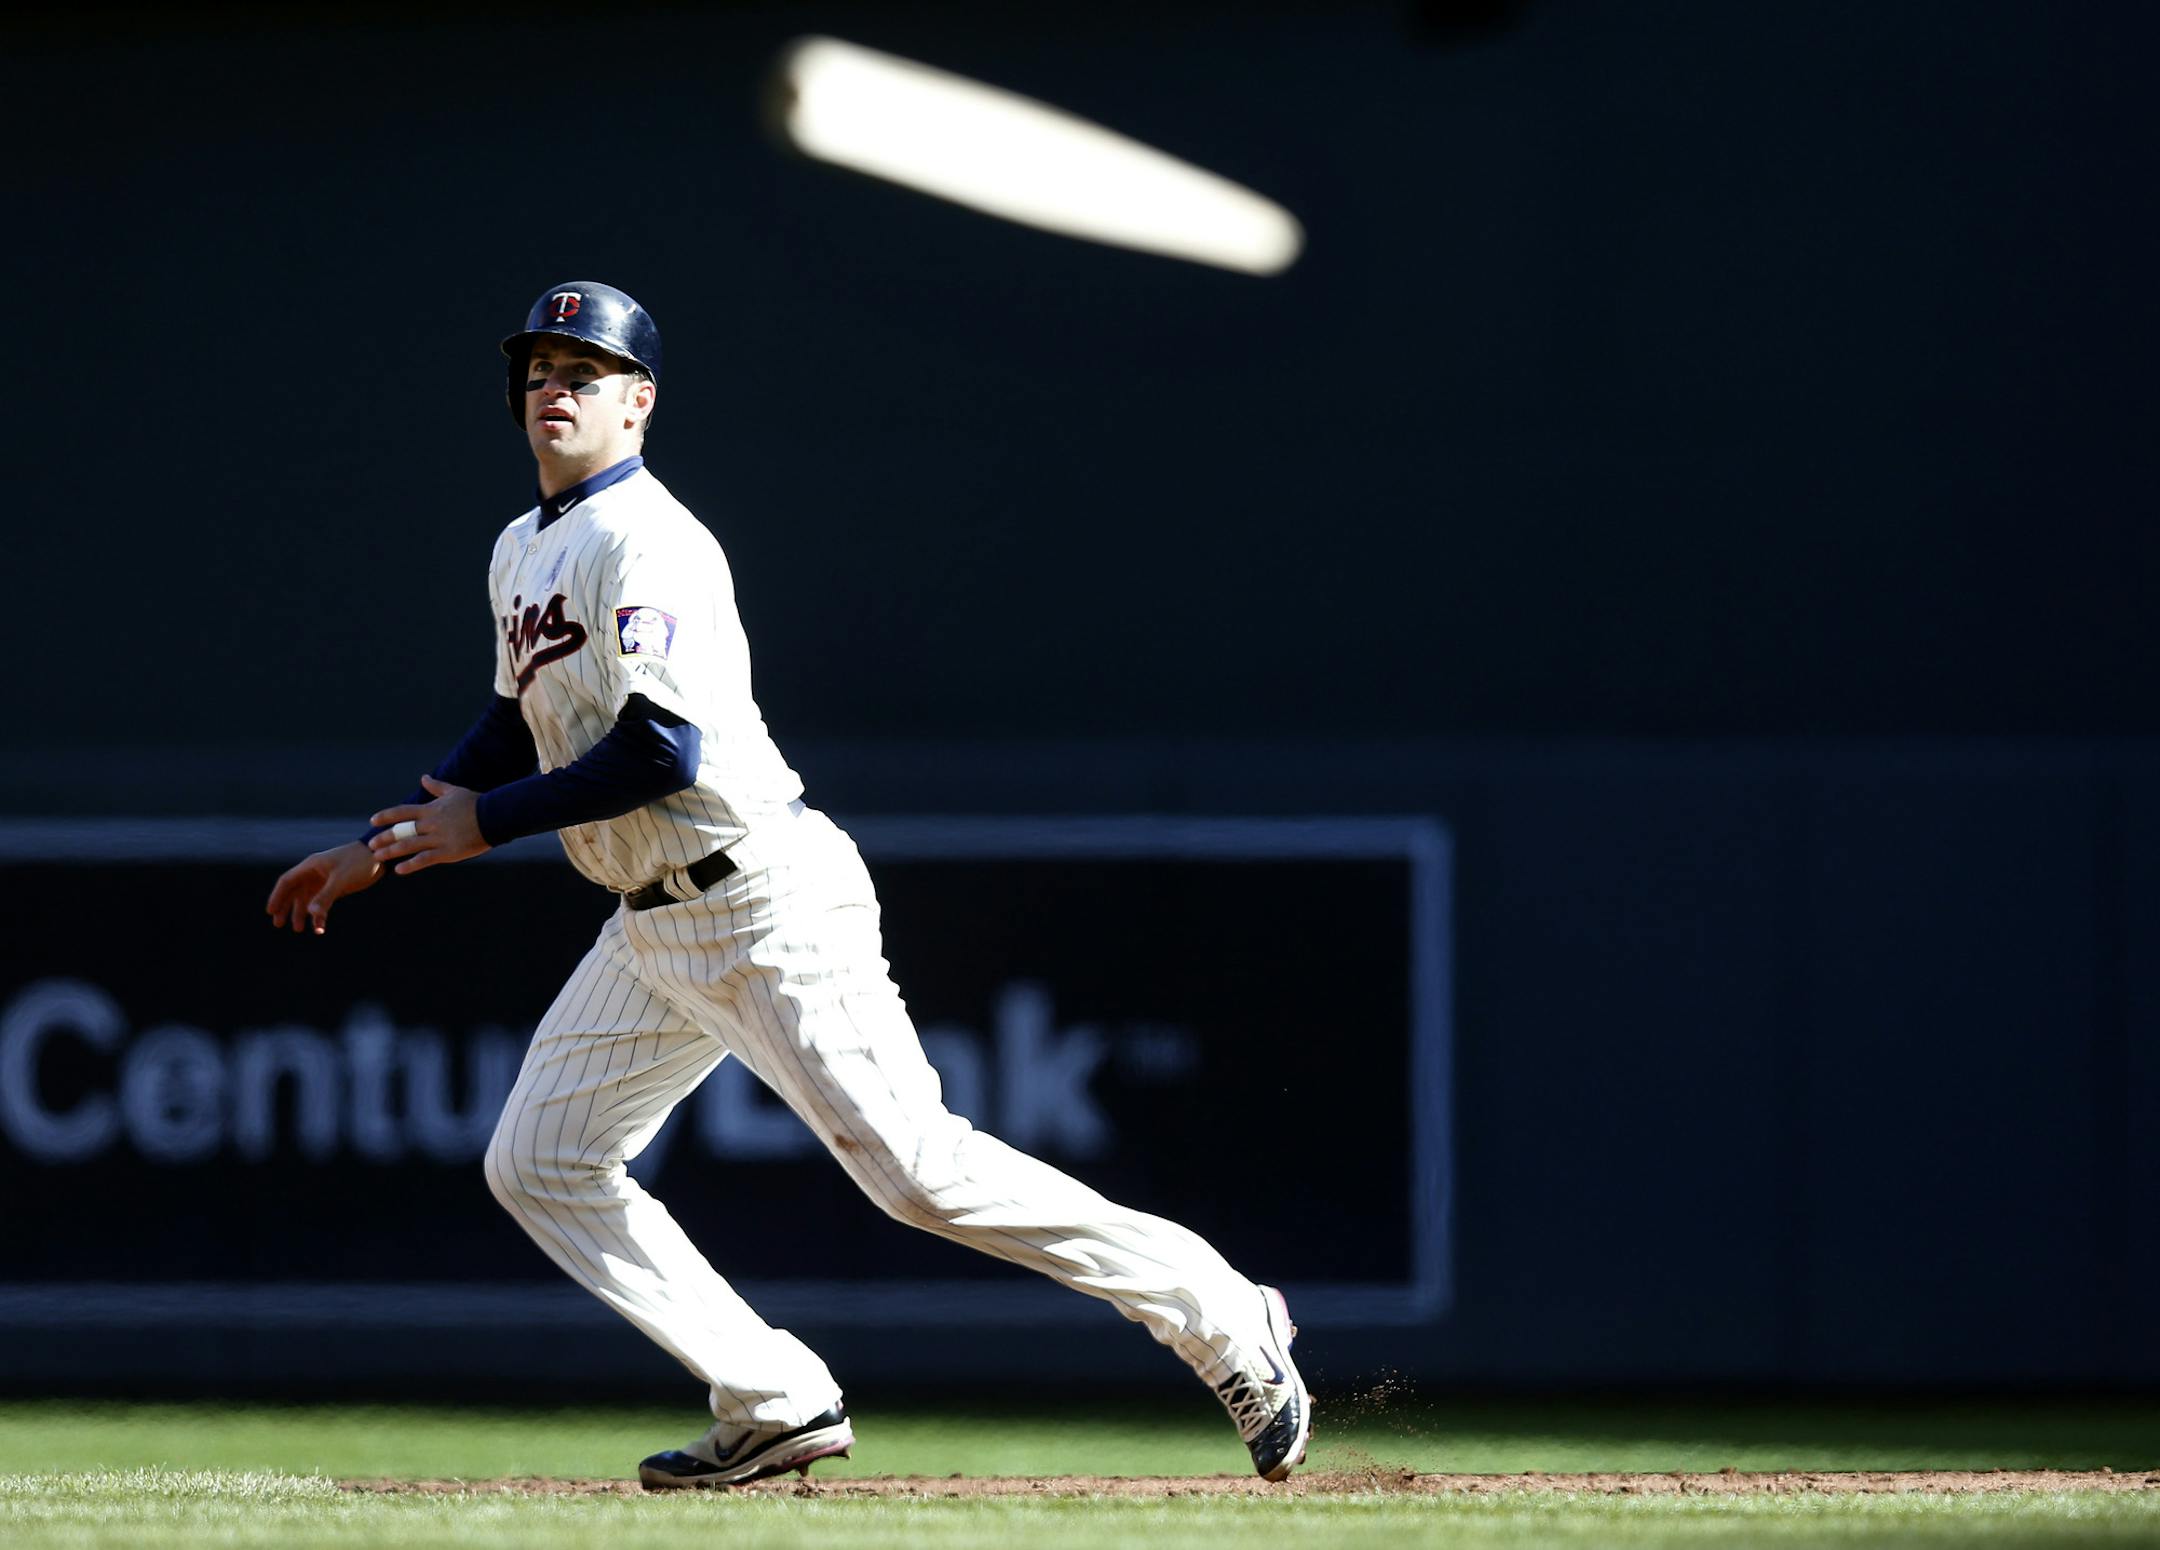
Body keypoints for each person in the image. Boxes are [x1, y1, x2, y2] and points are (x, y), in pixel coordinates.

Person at [265, 281, 1310, 1488]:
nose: (556, 388)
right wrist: (383, 841)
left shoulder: (649, 538)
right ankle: (774, 1397)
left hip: (757, 893)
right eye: (541, 369)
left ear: (639, 404)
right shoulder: (522, 546)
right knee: (539, 1157)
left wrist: (483, 829)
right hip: (650, 925)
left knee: (923, 1173)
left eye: (586, 372)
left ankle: (1224, 1313)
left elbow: (663, 748)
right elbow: (516, 725)